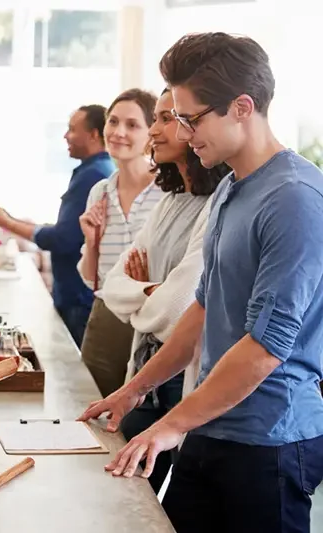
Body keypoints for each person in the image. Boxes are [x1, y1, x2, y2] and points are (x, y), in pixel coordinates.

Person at [79, 32, 323, 533]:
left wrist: (169, 425)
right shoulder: (232, 188)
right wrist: (136, 390)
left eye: (192, 119)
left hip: (270, 440)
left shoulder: (294, 198)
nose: (185, 133)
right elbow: (203, 308)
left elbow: (264, 349)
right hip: (210, 423)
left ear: (241, 107)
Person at [99, 88, 230, 494]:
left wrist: (148, 289)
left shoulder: (219, 202)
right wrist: (154, 288)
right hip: (147, 369)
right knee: (124, 492)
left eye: (165, 119)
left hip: (184, 376)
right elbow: (112, 287)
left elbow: (178, 307)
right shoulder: (170, 201)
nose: (154, 130)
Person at [0, 104, 115, 346]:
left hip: (77, 298)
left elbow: (62, 239)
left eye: (72, 129)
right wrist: (10, 220)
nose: (65, 136)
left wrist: (5, 222)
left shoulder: (93, 176)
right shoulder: (95, 171)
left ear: (94, 135)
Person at [76, 89, 164, 397]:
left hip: (153, 318)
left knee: (138, 417)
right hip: (106, 318)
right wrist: (91, 242)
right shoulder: (100, 191)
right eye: (113, 122)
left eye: (132, 124)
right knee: (89, 405)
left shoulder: (169, 191)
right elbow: (91, 278)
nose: (119, 132)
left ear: (152, 134)